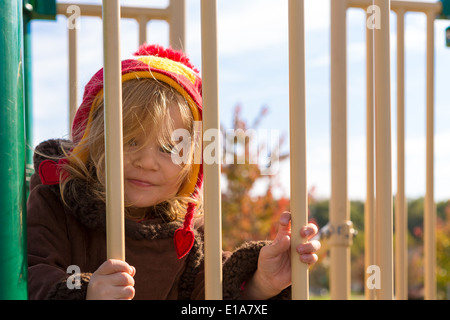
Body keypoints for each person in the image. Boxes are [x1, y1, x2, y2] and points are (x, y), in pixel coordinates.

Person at [27, 44, 321, 300]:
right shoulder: (58, 202)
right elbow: (28, 273)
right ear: (94, 140)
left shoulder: (187, 234)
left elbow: (210, 293)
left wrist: (260, 284)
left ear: (191, 166)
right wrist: (83, 292)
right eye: (129, 140)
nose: (147, 162)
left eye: (169, 149)